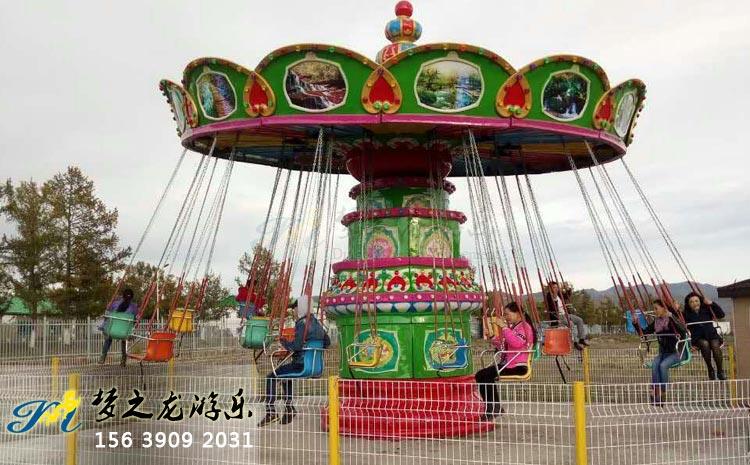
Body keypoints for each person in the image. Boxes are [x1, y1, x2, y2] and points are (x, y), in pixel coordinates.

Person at [258, 295, 330, 427]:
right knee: (285, 376)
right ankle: (289, 408)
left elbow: (296, 347)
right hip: (316, 367)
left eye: (295, 308)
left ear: (300, 308)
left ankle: (271, 412)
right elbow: (327, 342)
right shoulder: (318, 324)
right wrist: (312, 347)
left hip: (301, 366)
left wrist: (283, 341)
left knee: (271, 377)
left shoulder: (302, 324)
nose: (294, 311)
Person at [475, 301, 536, 421]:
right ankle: (494, 407)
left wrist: (504, 327)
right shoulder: (515, 328)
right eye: (505, 315)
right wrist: (492, 337)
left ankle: (493, 408)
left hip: (518, 366)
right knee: (482, 375)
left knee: (484, 375)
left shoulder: (525, 327)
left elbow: (516, 343)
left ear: (518, 313)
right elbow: (504, 346)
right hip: (510, 364)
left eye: (508, 314)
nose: (506, 317)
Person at [642, 299, 688, 405]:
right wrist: (635, 323)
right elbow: (644, 333)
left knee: (663, 366)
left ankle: (662, 392)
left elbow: (683, 331)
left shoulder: (672, 319)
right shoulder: (656, 322)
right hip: (664, 353)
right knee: (655, 365)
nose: (654, 311)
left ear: (663, 308)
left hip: (678, 352)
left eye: (656, 308)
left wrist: (672, 316)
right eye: (653, 309)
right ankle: (655, 392)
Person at [683, 292, 726, 380]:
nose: (694, 303)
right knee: (705, 344)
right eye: (691, 302)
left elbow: (721, 315)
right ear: (688, 304)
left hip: (712, 335)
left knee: (715, 345)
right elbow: (677, 321)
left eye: (696, 301)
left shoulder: (707, 309)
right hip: (698, 338)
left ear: (700, 301)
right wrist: (674, 310)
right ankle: (710, 368)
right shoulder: (686, 314)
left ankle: (720, 371)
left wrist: (712, 303)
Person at [99, 288, 138, 366]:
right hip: (124, 332)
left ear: (122, 296)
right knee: (124, 339)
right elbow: (135, 319)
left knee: (108, 337)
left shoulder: (114, 304)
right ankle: (123, 359)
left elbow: (107, 315)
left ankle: (103, 356)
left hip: (112, 330)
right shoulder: (134, 307)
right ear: (132, 297)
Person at [544, 281, 588, 350]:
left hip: (565, 314)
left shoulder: (559, 294)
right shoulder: (549, 296)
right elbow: (552, 306)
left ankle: (581, 339)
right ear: (550, 288)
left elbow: (566, 296)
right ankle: (575, 342)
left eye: (557, 287)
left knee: (579, 320)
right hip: (558, 316)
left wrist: (568, 289)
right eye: (554, 287)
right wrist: (555, 298)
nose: (556, 289)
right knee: (571, 324)